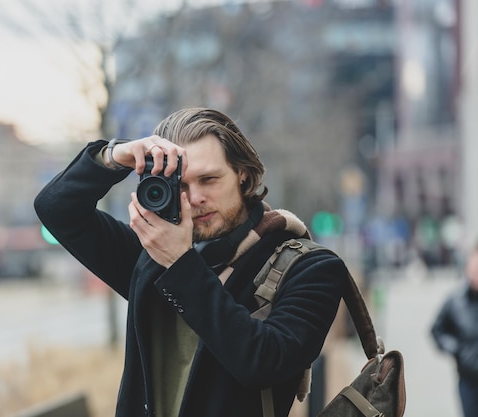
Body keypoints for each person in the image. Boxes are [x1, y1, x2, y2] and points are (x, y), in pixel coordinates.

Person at [34, 107, 348, 417]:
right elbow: (57, 210)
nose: (195, 198)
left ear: (243, 173)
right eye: (180, 186)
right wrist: (115, 156)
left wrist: (181, 262)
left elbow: (263, 364)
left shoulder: (311, 268)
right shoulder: (152, 260)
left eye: (208, 179)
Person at [431, 241, 478, 417]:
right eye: (474, 269)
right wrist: (457, 349)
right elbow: (437, 330)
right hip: (468, 380)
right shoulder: (455, 301)